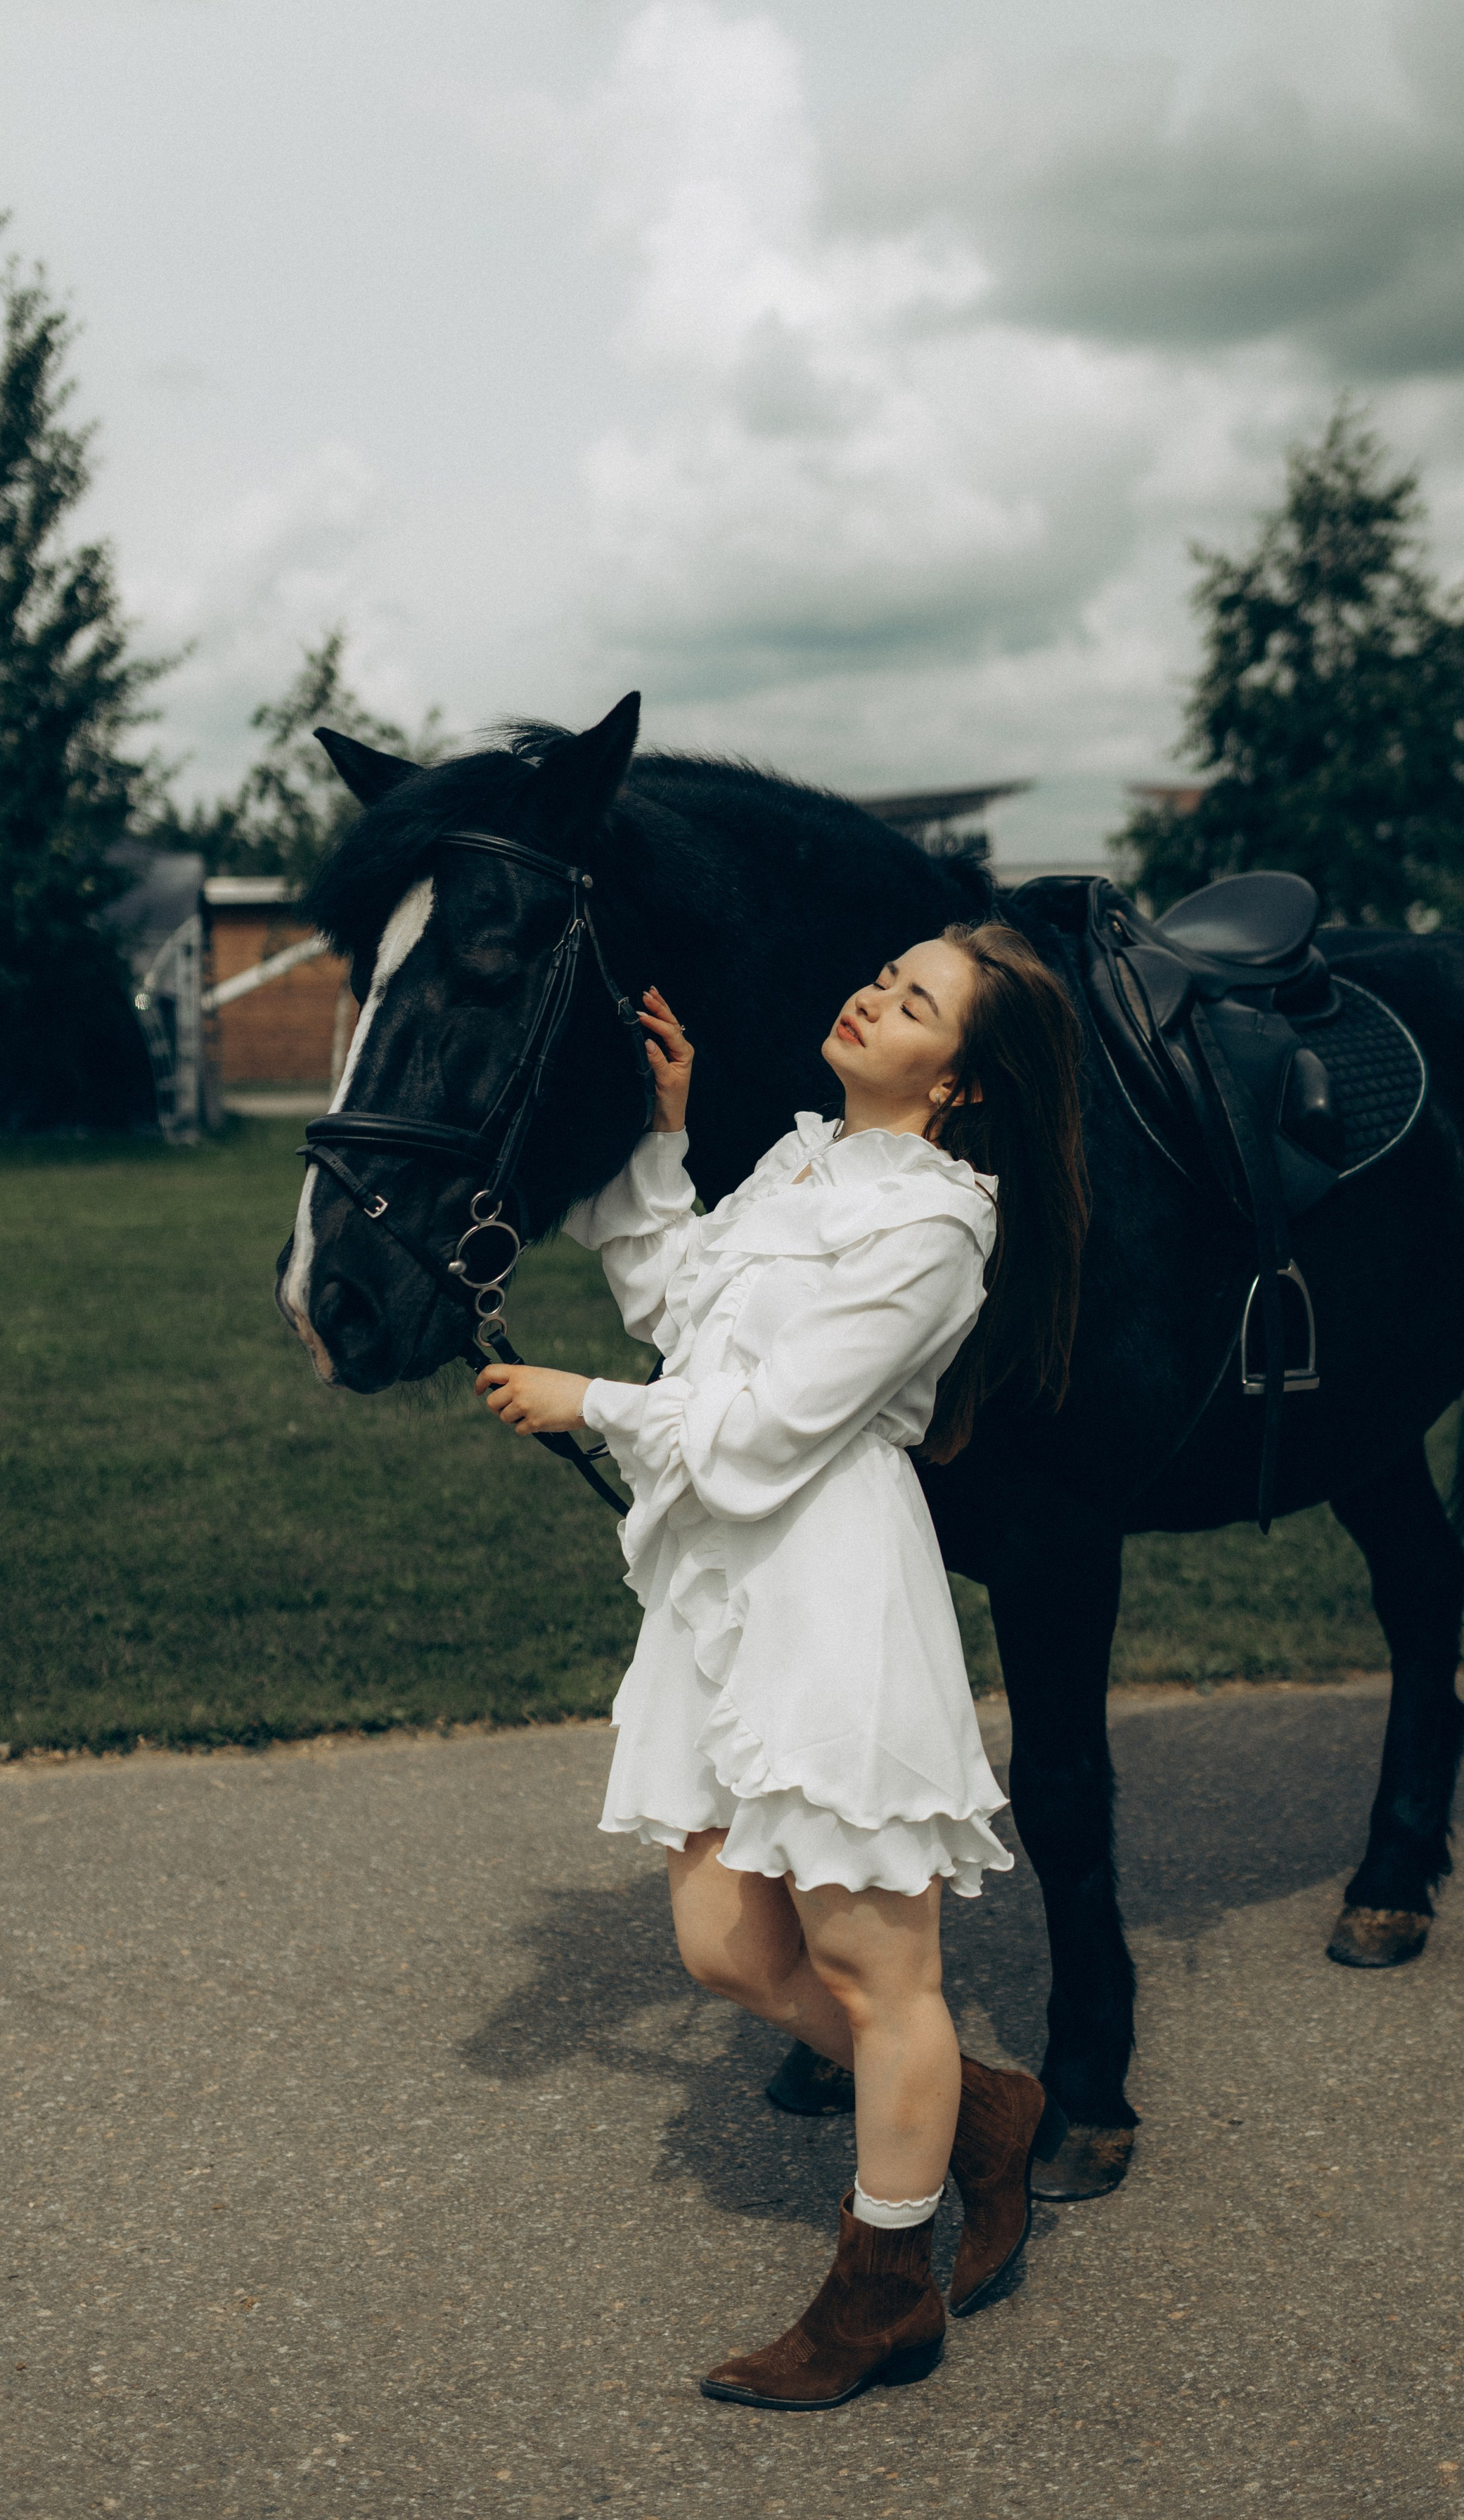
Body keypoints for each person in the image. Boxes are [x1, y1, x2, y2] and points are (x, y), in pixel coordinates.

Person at [477, 922, 1089, 2410]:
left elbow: (766, 1429)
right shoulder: (805, 1162)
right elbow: (684, 1321)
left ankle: (883, 2292)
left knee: (880, 1973)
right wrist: (664, 1140)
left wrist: (585, 1405)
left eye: (916, 1000)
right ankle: (987, 2113)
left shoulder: (940, 1231)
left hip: (829, 1594)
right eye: (886, 973)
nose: (875, 994)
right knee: (727, 1946)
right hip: (725, 1597)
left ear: (961, 1081)